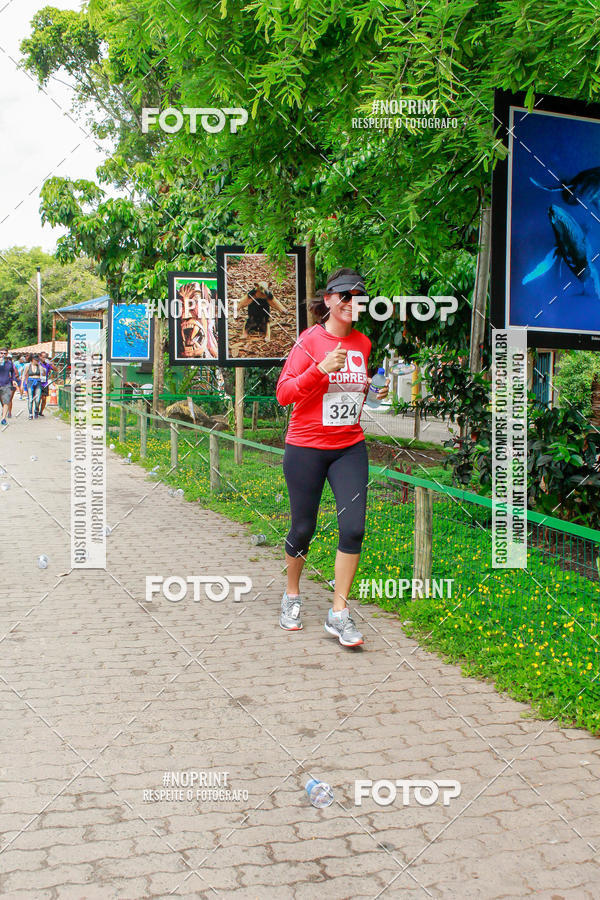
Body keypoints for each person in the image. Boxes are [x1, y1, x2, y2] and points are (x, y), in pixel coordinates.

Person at [275, 267, 389, 648]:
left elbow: (354, 393)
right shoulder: (309, 342)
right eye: (344, 296)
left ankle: (338, 613)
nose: (351, 303)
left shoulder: (364, 344)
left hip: (348, 447)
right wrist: (319, 370)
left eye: (359, 297)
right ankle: (292, 595)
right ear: (328, 300)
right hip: (306, 447)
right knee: (303, 528)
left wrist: (374, 392)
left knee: (354, 527)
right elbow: (284, 393)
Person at [22, 354, 45, 419]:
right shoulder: (27, 366)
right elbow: (24, 374)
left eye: (37, 360)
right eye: (35, 360)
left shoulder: (39, 366)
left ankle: (36, 410)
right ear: (32, 360)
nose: (36, 361)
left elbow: (43, 373)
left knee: (37, 399)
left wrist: (41, 367)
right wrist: (22, 384)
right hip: (30, 381)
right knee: (30, 398)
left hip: (38, 381)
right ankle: (30, 413)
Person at [0, 348, 17, 426]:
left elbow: (13, 372)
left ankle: (3, 418)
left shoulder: (10, 363)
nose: (3, 355)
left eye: (4, 353)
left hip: (6, 384)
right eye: (1, 353)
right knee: (2, 402)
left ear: (7, 354)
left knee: (6, 401)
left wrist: (13, 380)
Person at [38, 351, 57, 416]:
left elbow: (56, 369)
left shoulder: (47, 364)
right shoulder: (38, 363)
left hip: (45, 383)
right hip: (38, 382)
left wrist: (51, 364)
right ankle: (36, 409)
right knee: (38, 397)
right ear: (40, 357)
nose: (44, 359)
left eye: (45, 357)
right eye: (43, 357)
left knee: (44, 398)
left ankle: (41, 411)